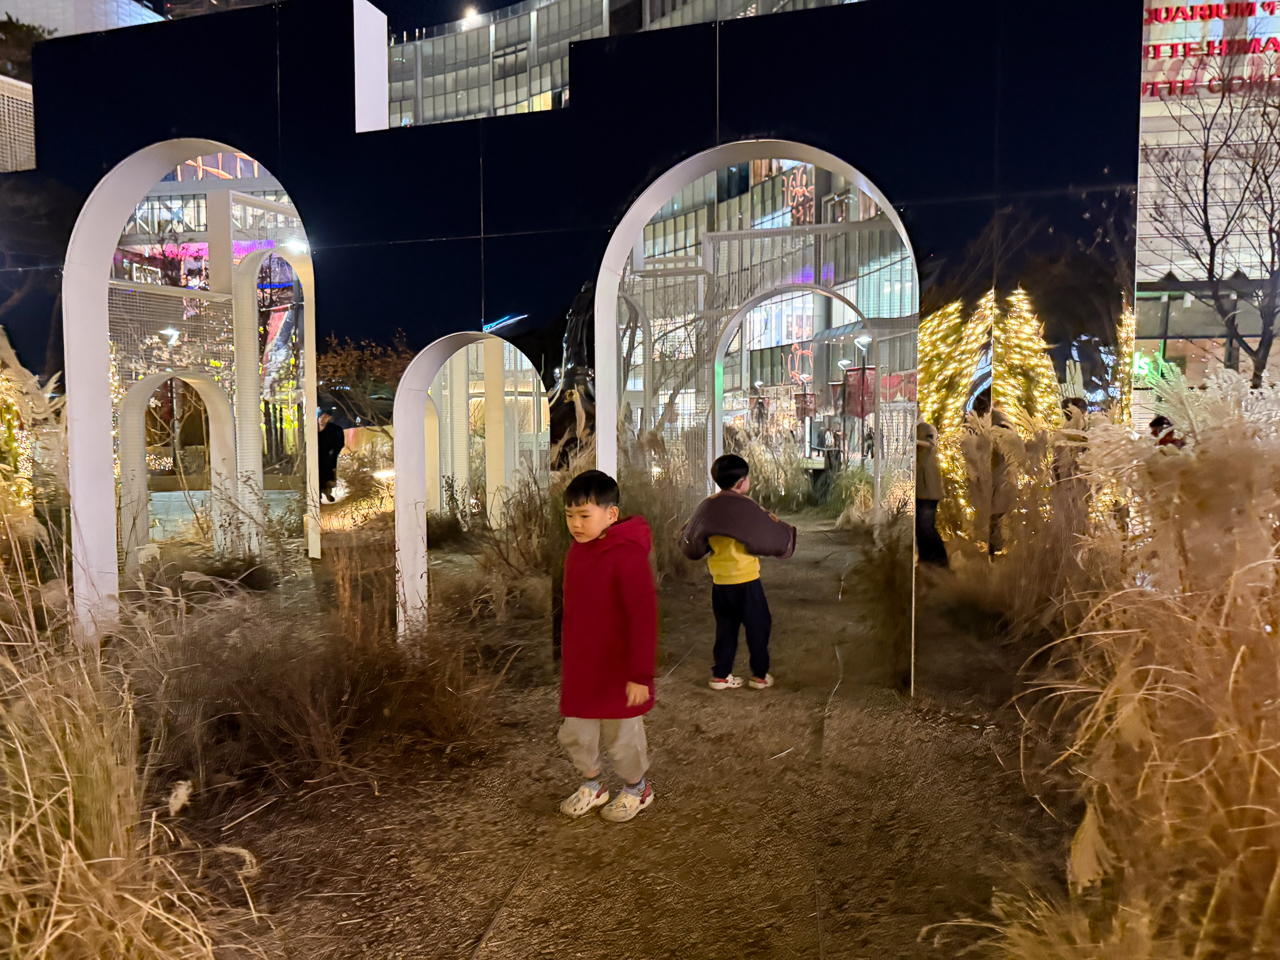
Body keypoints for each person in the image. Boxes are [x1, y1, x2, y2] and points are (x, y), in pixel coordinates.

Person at [557, 470, 658, 823]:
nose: (576, 524)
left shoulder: (627, 555)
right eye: (569, 515)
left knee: (623, 736)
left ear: (611, 514)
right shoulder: (577, 551)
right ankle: (593, 785)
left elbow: (643, 618)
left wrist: (640, 675)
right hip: (583, 665)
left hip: (619, 667)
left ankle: (636, 788)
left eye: (584, 515)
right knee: (576, 731)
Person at [678, 454, 796, 691]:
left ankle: (720, 676)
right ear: (742, 482)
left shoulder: (708, 506)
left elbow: (691, 537)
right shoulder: (747, 507)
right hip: (747, 580)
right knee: (758, 626)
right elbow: (769, 532)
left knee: (726, 628)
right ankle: (759, 676)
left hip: (721, 582)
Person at [915, 421, 948, 567]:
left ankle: (939, 558)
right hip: (922, 489)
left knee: (926, 525)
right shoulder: (917, 428)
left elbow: (931, 444)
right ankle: (927, 559)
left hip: (928, 489)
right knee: (921, 526)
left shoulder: (926, 428)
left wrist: (914, 442)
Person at [317, 411, 345, 503]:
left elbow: (340, 443)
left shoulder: (335, 429)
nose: (322, 419)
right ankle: (318, 495)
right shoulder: (313, 429)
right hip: (316, 457)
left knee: (328, 476)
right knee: (317, 475)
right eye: (321, 417)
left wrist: (332, 453)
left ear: (330, 418)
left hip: (328, 457)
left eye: (325, 417)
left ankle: (327, 492)